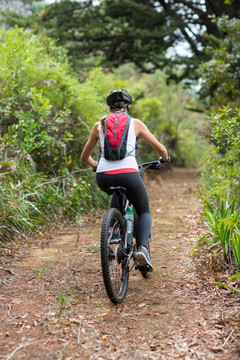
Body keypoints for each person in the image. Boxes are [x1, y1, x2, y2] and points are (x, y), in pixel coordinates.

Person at [81, 89, 169, 272]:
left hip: (103, 176)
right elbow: (161, 149)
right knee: (144, 211)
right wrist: (164, 159)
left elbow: (84, 157)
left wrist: (97, 165)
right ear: (128, 106)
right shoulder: (135, 123)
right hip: (129, 173)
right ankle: (143, 250)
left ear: (109, 107)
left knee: (115, 190)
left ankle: (113, 233)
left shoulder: (99, 125)